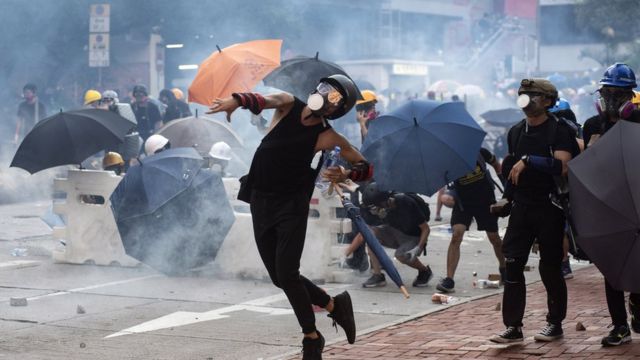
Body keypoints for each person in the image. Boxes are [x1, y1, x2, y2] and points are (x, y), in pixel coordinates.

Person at [206, 74, 372, 359]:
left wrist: (345, 172)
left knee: (287, 272)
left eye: (334, 98)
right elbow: (263, 100)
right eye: (325, 89)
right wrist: (236, 101)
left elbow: (365, 167)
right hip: (260, 198)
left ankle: (311, 337)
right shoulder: (288, 104)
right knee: (278, 277)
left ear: (336, 110)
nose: (325, 96)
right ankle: (335, 305)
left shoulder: (328, 135)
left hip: (291, 207)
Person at [489, 78, 575, 344]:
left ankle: (555, 323)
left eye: (533, 95)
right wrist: (505, 198)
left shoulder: (559, 130)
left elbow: (563, 166)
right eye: (523, 95)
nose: (526, 99)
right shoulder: (515, 131)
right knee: (512, 264)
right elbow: (512, 170)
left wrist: (530, 161)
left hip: (550, 206)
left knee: (550, 268)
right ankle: (513, 327)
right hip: (522, 207)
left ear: (548, 100)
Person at [582, 63, 640, 347]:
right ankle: (619, 325)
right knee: (611, 269)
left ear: (631, 95)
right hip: (607, 205)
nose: (613, 99)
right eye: (608, 92)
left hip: (637, 202)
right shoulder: (593, 126)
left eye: (619, 94)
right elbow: (586, 172)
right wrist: (591, 151)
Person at [436, 148, 505, 293]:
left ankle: (504, 268)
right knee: (456, 235)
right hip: (463, 203)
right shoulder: (448, 159)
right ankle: (449, 280)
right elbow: (442, 179)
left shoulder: (480, 152)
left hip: (485, 200)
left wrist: (506, 187)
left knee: (494, 238)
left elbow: (496, 165)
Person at [349, 182, 432, 289]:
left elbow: (425, 228)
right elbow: (364, 233)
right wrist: (346, 253)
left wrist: (419, 247)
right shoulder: (378, 211)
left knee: (400, 255)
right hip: (394, 233)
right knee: (371, 236)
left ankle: (424, 271)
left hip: (413, 236)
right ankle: (378, 275)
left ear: (384, 202)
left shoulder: (405, 202)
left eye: (375, 207)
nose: (373, 210)